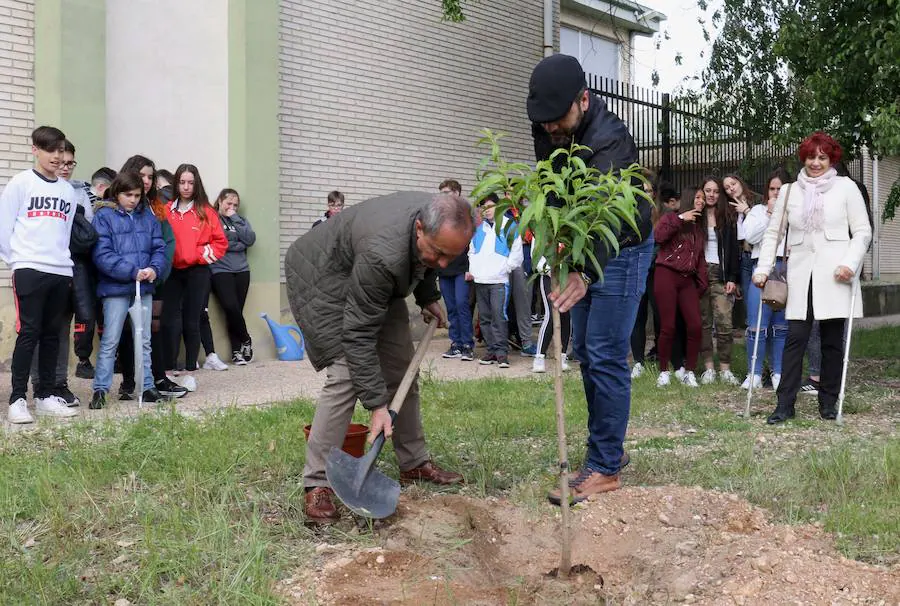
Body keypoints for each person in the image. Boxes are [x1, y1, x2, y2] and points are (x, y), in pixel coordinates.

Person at [284, 191, 472, 523]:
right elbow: (358, 335)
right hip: (324, 279)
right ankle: (317, 483)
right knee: (345, 376)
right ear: (418, 229)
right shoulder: (381, 255)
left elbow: (426, 260)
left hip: (371, 276)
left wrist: (427, 295)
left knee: (403, 369)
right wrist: (377, 406)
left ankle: (414, 463)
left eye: (451, 257)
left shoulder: (435, 222)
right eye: (439, 253)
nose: (444, 264)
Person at [528, 54, 654, 503]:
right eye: (541, 123)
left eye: (556, 121)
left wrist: (582, 270)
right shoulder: (550, 124)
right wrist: (553, 244)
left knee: (604, 353)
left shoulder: (610, 140)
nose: (548, 131)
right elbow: (550, 188)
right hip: (579, 248)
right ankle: (603, 453)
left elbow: (605, 217)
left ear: (584, 100)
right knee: (585, 351)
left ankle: (605, 467)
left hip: (622, 247)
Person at [754, 132, 871, 423]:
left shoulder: (846, 188)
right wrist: (763, 268)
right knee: (796, 338)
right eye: (811, 156)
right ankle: (785, 404)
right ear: (803, 158)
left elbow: (862, 231)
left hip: (835, 274)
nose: (816, 162)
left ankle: (828, 402)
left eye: (822, 157)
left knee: (832, 340)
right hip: (800, 274)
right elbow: (773, 233)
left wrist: (850, 263)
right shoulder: (790, 191)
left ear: (831, 159)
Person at [0, 126, 79, 423]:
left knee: (52, 335)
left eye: (60, 151)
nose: (57, 157)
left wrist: (63, 263)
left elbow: (65, 232)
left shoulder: (66, 190)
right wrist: (17, 260)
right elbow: (3, 227)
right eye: (50, 150)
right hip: (29, 268)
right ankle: (17, 399)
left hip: (60, 269)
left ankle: (45, 396)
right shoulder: (21, 183)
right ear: (35, 149)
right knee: (29, 332)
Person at [89, 172, 169, 408]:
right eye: (128, 195)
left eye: (137, 195)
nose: (133, 200)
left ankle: (147, 387)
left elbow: (158, 246)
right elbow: (102, 254)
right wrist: (132, 271)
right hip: (116, 288)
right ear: (117, 192)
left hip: (143, 286)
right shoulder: (104, 216)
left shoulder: (148, 216)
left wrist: (155, 268)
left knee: (143, 339)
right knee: (111, 340)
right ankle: (100, 390)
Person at [28, 139, 95, 407]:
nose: (65, 167)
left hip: (70, 268)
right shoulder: (32, 186)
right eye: (60, 161)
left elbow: (89, 230)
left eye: (70, 163)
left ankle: (59, 383)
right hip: (38, 267)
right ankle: (39, 385)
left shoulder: (78, 192)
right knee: (37, 328)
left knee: (62, 327)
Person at [117, 155, 187, 399]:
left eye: (150, 176)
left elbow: (167, 243)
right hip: (124, 279)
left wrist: (159, 271)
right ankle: (129, 382)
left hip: (154, 278)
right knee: (127, 331)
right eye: (141, 175)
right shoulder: (116, 204)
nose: (146, 181)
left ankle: (157, 378)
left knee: (152, 329)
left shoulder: (156, 207)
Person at [161, 164, 228, 381]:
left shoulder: (206, 211)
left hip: (198, 272)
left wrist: (198, 255)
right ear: (176, 183)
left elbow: (220, 243)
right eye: (182, 182)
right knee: (170, 321)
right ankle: (168, 371)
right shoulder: (167, 209)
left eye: (191, 182)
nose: (186, 187)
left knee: (192, 320)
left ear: (196, 183)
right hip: (172, 273)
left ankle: (190, 371)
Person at [741, 169, 791, 390]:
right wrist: (771, 216)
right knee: (757, 324)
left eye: (780, 189)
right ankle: (754, 373)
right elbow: (750, 237)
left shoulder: (794, 211)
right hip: (760, 267)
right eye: (772, 188)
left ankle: (778, 371)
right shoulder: (758, 211)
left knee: (781, 325)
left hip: (786, 267)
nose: (776, 192)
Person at [654, 187, 707, 388]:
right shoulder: (671, 218)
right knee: (668, 326)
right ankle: (664, 371)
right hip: (666, 274)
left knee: (695, 325)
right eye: (698, 197)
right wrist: (680, 219)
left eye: (703, 198)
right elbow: (658, 237)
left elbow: (700, 258)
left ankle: (690, 371)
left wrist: (701, 285)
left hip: (687, 280)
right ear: (688, 200)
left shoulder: (698, 229)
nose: (701, 201)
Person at [468, 195, 523, 369]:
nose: (487, 210)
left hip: (499, 281)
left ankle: (501, 353)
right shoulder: (479, 229)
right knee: (484, 317)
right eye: (483, 207)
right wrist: (474, 271)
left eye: (490, 206)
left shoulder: (509, 226)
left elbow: (517, 252)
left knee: (498, 316)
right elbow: (472, 250)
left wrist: (505, 268)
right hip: (481, 281)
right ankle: (491, 351)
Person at [698, 176, 741, 385]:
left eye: (715, 191)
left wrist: (733, 278)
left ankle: (725, 368)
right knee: (704, 322)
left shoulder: (727, 216)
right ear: (702, 192)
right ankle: (708, 368)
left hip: (721, 275)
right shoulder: (696, 216)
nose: (712, 194)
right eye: (708, 190)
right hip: (700, 274)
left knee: (724, 321)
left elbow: (734, 250)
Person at [630, 180, 674, 377]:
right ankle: (638, 361)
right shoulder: (631, 213)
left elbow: (663, 242)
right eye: (642, 190)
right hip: (637, 270)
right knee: (637, 317)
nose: (646, 193)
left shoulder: (663, 214)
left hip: (657, 271)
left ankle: (659, 353)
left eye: (649, 190)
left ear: (655, 193)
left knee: (659, 315)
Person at [210, 188, 256, 365]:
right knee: (230, 307)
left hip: (242, 270)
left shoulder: (240, 220)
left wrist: (235, 218)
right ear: (220, 201)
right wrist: (238, 244)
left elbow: (250, 240)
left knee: (236, 311)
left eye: (235, 205)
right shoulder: (213, 218)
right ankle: (246, 339)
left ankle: (237, 352)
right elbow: (217, 242)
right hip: (221, 269)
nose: (232, 207)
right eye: (229, 203)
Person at [436, 179, 475, 362]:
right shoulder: (439, 215)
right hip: (444, 270)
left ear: (457, 193)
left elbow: (474, 242)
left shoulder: (466, 214)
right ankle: (456, 344)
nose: (444, 197)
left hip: (462, 269)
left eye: (447, 193)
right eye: (441, 193)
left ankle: (468, 345)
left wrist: (471, 268)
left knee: (462, 305)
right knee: (451, 308)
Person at [531, 258, 571, 373]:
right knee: (551, 315)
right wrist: (549, 271)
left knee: (566, 316)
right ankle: (539, 357)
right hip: (549, 276)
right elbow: (536, 255)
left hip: (568, 275)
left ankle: (562, 357)